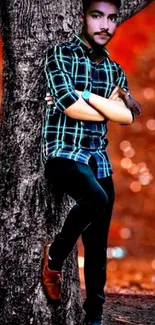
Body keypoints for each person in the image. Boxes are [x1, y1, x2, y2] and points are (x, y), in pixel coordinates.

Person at [42, 1, 141, 324]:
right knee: (95, 197)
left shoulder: (115, 69)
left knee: (97, 246)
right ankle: (54, 261)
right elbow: (69, 107)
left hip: (98, 158)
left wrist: (85, 95)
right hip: (63, 153)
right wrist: (98, 106)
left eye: (112, 18)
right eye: (97, 16)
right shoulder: (62, 55)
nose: (105, 25)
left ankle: (94, 317)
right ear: (83, 17)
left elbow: (125, 117)